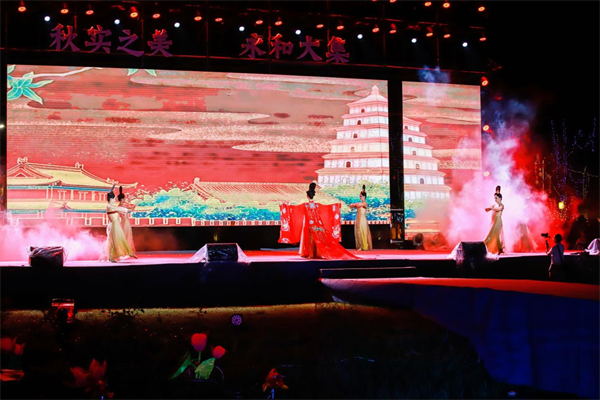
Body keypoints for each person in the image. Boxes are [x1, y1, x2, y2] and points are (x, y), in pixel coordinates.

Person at [278, 182, 356, 260]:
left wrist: (284, 206)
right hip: (316, 223)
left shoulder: (306, 205)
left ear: (307, 196)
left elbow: (294, 209)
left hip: (308, 223)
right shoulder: (316, 205)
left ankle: (310, 253)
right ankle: (316, 253)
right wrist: (336, 205)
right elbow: (327, 208)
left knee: (310, 238)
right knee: (316, 237)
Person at [105, 186, 133, 262]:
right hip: (113, 226)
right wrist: (127, 210)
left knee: (116, 241)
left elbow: (118, 209)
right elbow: (119, 209)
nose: (115, 200)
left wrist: (112, 188)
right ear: (111, 199)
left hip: (115, 225)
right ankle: (111, 257)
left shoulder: (111, 206)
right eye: (114, 198)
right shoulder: (110, 206)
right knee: (113, 241)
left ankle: (114, 256)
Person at [349, 185, 373, 251]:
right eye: (359, 196)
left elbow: (358, 205)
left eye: (361, 196)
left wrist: (354, 204)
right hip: (358, 219)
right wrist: (353, 205)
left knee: (363, 232)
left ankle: (364, 246)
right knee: (358, 232)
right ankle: (360, 246)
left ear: (364, 197)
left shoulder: (365, 203)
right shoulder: (360, 203)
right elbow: (351, 205)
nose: (360, 197)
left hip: (362, 220)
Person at [117, 186, 137, 258]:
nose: (125, 199)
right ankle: (126, 252)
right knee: (126, 237)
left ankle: (126, 252)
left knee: (125, 237)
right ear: (122, 199)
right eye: (124, 198)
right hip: (125, 223)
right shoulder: (123, 206)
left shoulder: (120, 206)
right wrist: (132, 207)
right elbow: (132, 208)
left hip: (123, 222)